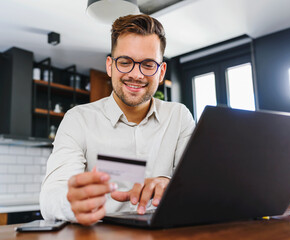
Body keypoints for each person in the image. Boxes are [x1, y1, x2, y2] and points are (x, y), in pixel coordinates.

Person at [40, 14, 195, 226]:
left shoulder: (179, 117)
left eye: (148, 64)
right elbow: (50, 197)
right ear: (110, 66)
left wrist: (171, 184)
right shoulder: (78, 119)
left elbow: (197, 188)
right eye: (125, 62)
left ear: (161, 72)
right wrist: (71, 201)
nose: (136, 74)